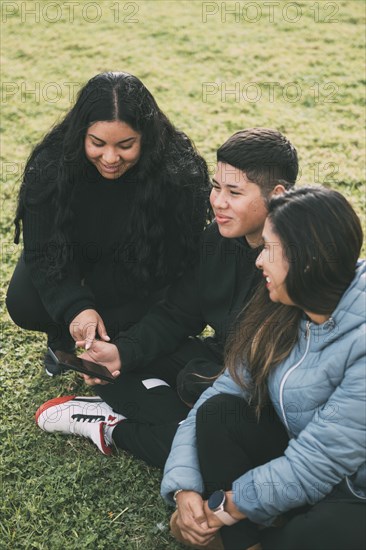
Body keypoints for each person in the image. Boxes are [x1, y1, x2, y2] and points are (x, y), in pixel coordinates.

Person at [35, 128, 299, 467]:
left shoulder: (296, 260)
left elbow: (281, 379)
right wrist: (121, 354)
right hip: (212, 363)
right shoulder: (217, 239)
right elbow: (178, 313)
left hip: (255, 396)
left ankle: (115, 428)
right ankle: (166, 414)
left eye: (234, 192)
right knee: (116, 359)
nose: (218, 201)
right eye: (216, 187)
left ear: (277, 195)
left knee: (206, 446)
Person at [160, 186, 366, 550]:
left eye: (269, 249)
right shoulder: (282, 306)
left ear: (304, 261)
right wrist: (184, 487)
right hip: (298, 466)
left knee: (322, 532)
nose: (258, 262)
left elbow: (319, 462)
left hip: (353, 492)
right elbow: (222, 391)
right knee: (219, 413)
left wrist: (224, 509)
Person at [6, 71, 210, 375]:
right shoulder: (50, 166)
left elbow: (180, 257)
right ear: (81, 134)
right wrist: (76, 307)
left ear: (147, 137)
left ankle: (118, 344)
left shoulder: (179, 172)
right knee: (24, 300)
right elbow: (43, 251)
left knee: (131, 314)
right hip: (76, 262)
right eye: (97, 143)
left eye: (126, 145)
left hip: (144, 274)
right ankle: (64, 334)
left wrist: (101, 295)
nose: (110, 157)